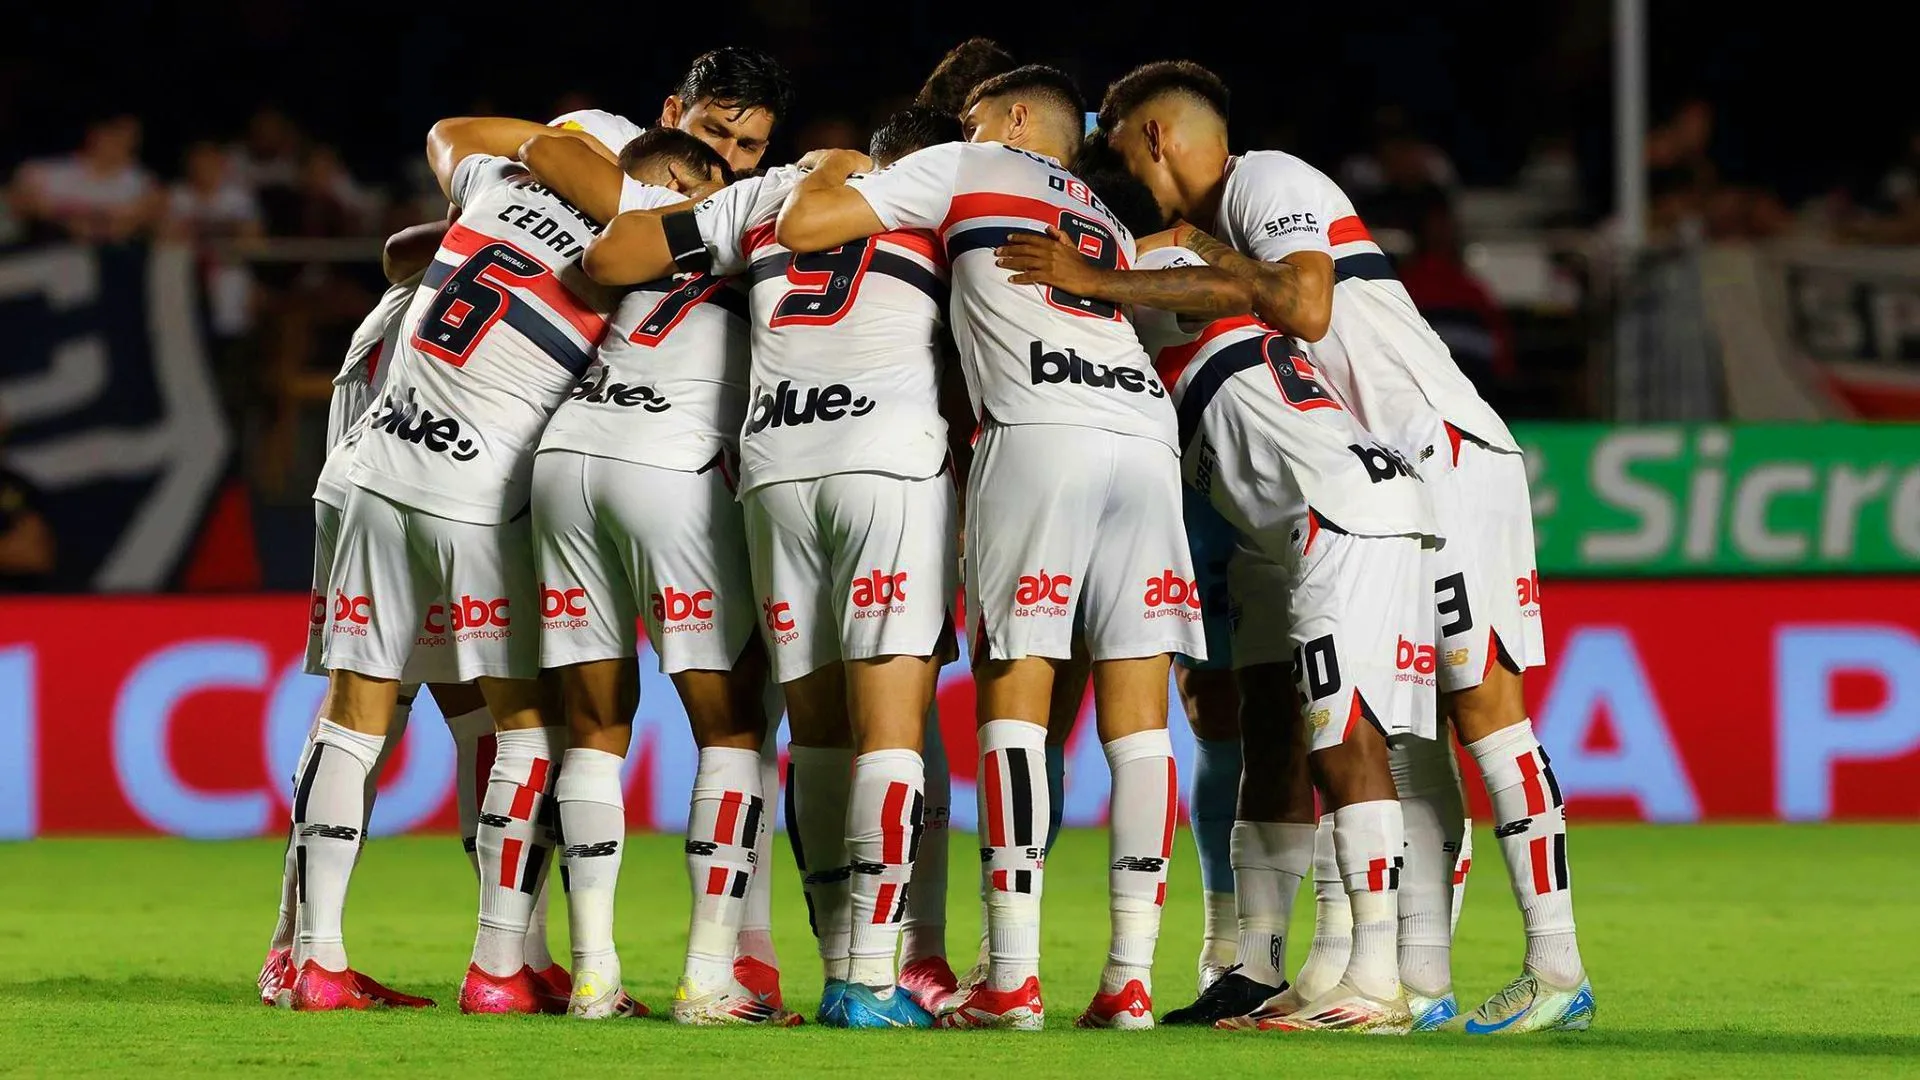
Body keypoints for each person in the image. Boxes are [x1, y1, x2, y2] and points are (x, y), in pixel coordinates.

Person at [1098, 60, 1591, 1034]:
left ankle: (1556, 963)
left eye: (1123, 154)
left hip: (1442, 447)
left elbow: (1309, 305)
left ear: (1153, 137)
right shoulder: (1219, 232)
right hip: (1387, 474)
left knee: (1484, 710)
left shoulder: (1265, 178)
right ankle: (1418, 976)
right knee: (1405, 737)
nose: (1127, 177)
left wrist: (1130, 263)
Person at [776, 65, 1205, 1031]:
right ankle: (1129, 981)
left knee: (1015, 703)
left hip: (1037, 430)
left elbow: (810, 227)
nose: (959, 132)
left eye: (970, 119)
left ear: (1012, 120)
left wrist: (842, 170)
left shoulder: (968, 165)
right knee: (1140, 724)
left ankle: (1011, 976)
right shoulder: (1100, 209)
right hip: (1145, 434)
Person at [581, 105, 963, 1028]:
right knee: (892, 731)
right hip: (888, 462)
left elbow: (609, 258)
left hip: (778, 467)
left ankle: (833, 963)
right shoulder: (943, 201)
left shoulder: (759, 197)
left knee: (818, 736)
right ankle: (869, 980)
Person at [293, 109, 649, 1013]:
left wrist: (534, 145)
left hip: (374, 466)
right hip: (479, 493)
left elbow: (445, 143)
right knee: (525, 727)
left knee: (353, 718)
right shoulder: (633, 239)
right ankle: (499, 964)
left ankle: (311, 959)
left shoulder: (495, 187)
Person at [516, 126, 802, 1025]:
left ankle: (594, 978)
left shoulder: (638, 236)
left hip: (567, 456)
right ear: (697, 178)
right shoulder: (754, 229)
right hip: (668, 463)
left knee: (595, 723)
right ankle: (709, 978)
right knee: (733, 722)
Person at [8, 114, 160, 243]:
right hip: (50, 249)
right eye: (117, 137)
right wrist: (65, 221)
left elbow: (135, 221)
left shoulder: (142, 182)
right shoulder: (47, 172)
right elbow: (20, 203)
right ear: (96, 136)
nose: (124, 145)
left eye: (132, 140)